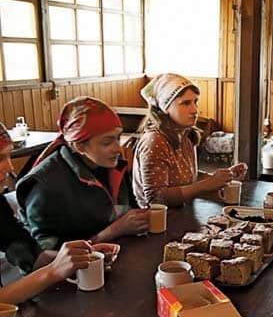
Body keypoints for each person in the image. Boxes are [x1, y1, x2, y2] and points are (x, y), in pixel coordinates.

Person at [0, 123, 119, 304]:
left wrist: (80, 256)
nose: (10, 167)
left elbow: (29, 252)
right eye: (0, 158)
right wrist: (53, 271)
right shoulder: (46, 182)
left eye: (9, 156)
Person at [16, 97, 149, 250]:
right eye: (107, 142)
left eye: (118, 139)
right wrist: (113, 231)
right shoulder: (44, 185)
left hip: (114, 250)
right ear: (79, 146)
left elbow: (130, 208)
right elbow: (46, 253)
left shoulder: (113, 166)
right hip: (83, 262)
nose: (118, 149)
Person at [133, 73, 247, 207]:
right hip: (160, 219)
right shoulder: (155, 141)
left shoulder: (186, 135)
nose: (195, 110)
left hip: (183, 212)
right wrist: (207, 185)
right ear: (165, 108)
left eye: (195, 102)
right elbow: (157, 198)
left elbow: (188, 178)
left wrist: (225, 177)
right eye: (185, 103)